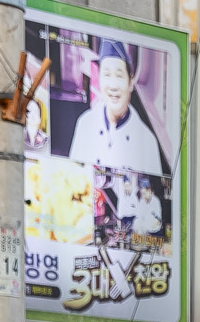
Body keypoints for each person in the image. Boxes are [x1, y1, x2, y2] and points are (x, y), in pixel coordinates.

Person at [65, 42, 168, 237]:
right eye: (107, 74)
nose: (112, 85)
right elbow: (71, 184)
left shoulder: (146, 140)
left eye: (119, 76)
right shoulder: (85, 124)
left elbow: (153, 211)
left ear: (130, 82)